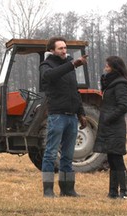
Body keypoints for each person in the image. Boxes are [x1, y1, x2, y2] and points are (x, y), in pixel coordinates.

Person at [39, 37, 88, 198]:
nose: (64, 51)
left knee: (68, 155)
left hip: (71, 117)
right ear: (52, 50)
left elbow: (75, 91)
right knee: (51, 153)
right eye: (60, 48)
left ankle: (67, 189)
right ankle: (48, 190)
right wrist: (72, 64)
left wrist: (81, 113)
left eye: (65, 48)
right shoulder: (46, 65)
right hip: (57, 116)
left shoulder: (69, 67)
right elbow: (49, 77)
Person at [93, 56, 127, 199]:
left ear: (114, 67)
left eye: (107, 65)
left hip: (115, 127)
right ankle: (112, 192)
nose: (105, 67)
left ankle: (124, 192)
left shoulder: (120, 84)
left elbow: (123, 106)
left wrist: (108, 118)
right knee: (111, 159)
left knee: (117, 160)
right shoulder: (111, 83)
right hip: (109, 127)